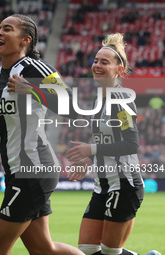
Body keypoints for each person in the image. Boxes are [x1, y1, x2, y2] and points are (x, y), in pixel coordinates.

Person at [0, 14, 83, 255]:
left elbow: (71, 107)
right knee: (43, 249)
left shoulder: (35, 68)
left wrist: (32, 90)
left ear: (25, 40)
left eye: (7, 29)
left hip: (34, 169)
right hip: (17, 171)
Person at [66, 33, 151, 255]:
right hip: (103, 185)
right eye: (96, 60)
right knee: (87, 249)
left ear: (119, 70)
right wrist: (89, 158)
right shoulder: (98, 99)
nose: (97, 65)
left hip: (124, 185)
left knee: (109, 252)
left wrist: (91, 149)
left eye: (104, 62)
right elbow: (107, 142)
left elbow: (131, 144)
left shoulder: (121, 99)